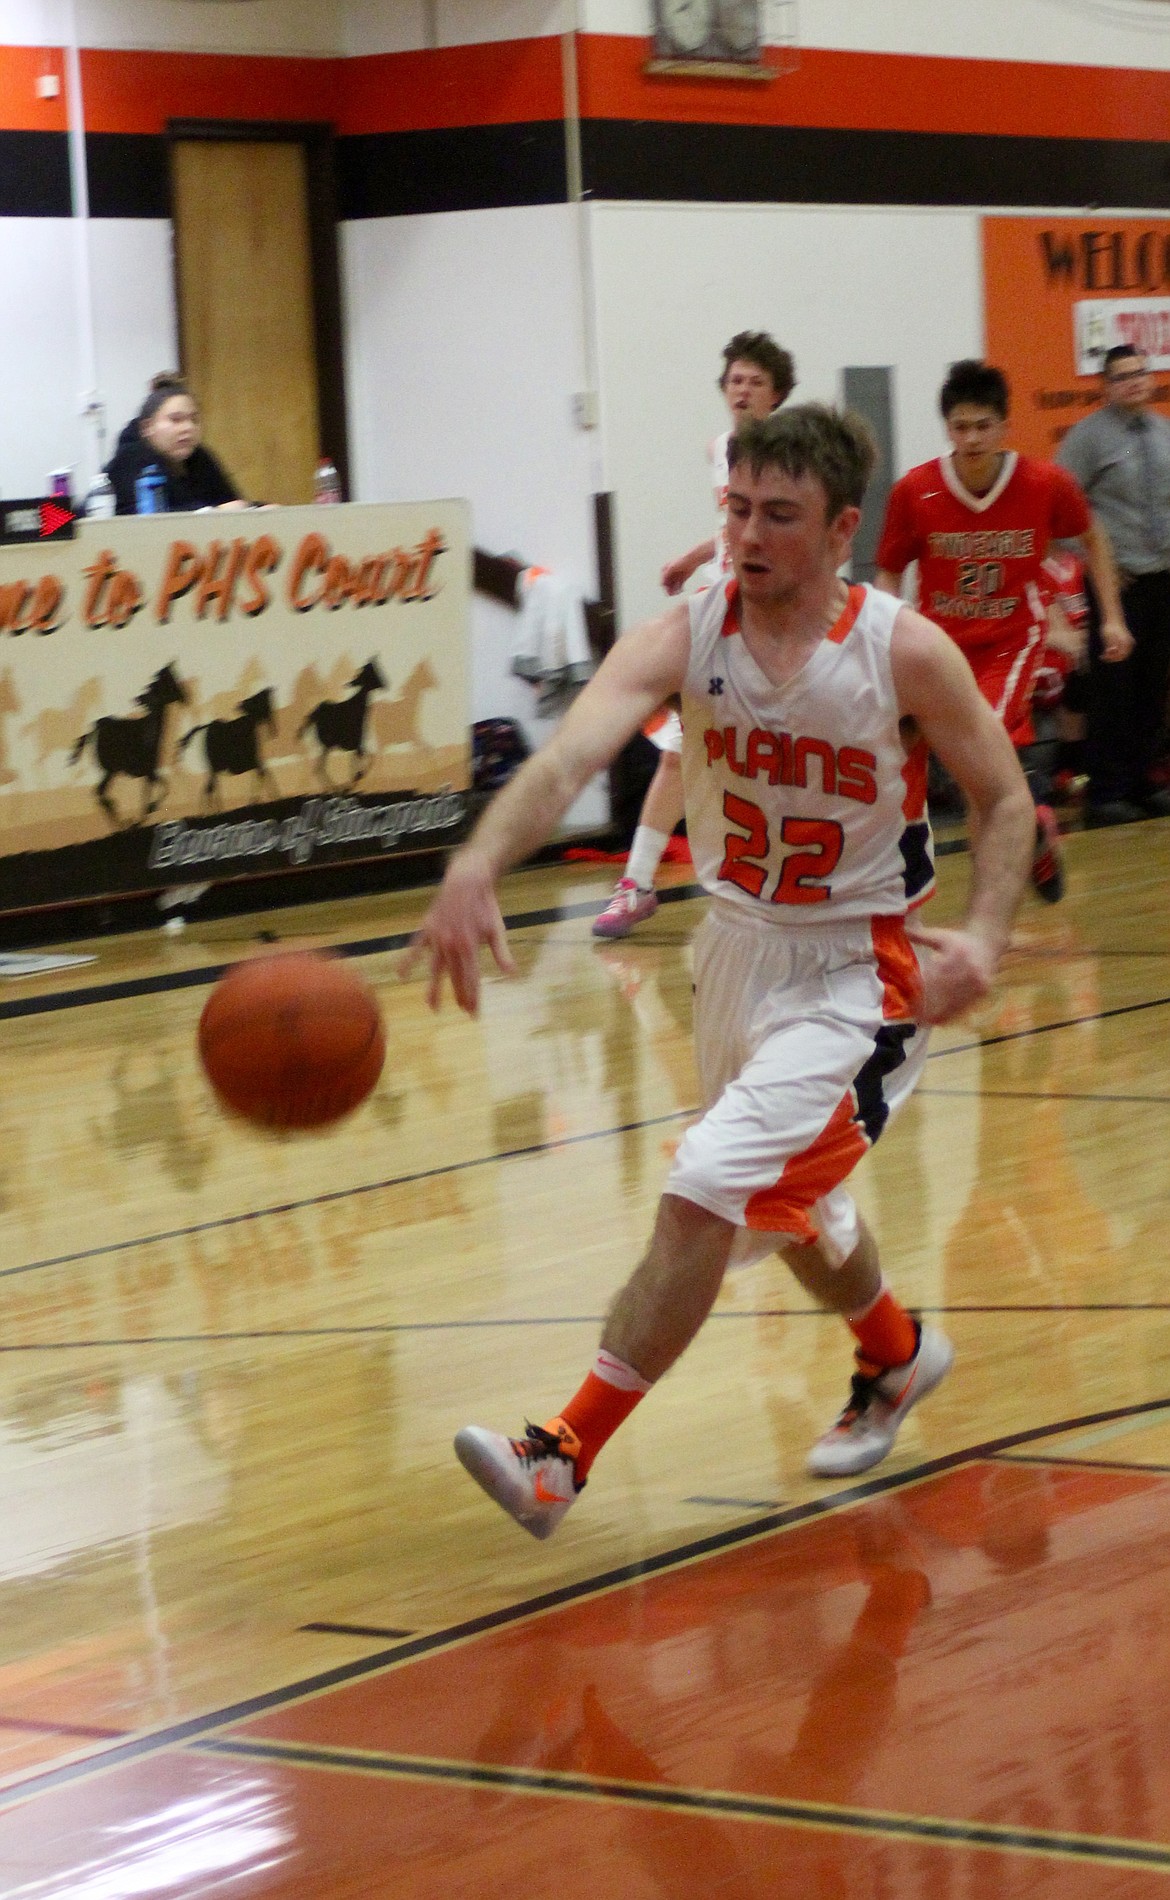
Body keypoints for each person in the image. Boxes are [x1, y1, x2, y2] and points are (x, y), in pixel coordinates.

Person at [404, 403, 1034, 1539]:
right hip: (734, 952)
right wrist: (478, 860)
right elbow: (564, 758)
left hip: (863, 972)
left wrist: (985, 938)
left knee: (709, 1187)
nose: (746, 535)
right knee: (792, 1212)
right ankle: (896, 1357)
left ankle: (562, 1453)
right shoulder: (688, 632)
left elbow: (1006, 798)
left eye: (778, 516)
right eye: (735, 507)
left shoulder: (900, 649)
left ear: (840, 528)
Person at [875, 359, 1130, 902]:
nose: (971, 439)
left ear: (1004, 426)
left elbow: (1095, 540)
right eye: (960, 427)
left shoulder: (1044, 482)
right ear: (947, 428)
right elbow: (889, 570)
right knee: (955, 774)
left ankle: (989, 909)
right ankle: (1033, 824)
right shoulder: (915, 491)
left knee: (975, 765)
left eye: (983, 426)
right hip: (940, 647)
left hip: (1011, 643)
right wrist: (881, 637)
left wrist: (1110, 616)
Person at [593, 331, 795, 940]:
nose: (743, 389)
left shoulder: (794, 456)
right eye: (735, 379)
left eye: (756, 381)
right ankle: (637, 882)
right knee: (682, 745)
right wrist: (693, 559)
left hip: (781, 618)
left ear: (777, 394)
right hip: (724, 611)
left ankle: (804, 875)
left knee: (788, 753)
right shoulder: (722, 448)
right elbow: (733, 527)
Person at [1056, 345, 1170, 826]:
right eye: (1121, 377)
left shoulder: (1163, 432)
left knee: (1152, 685)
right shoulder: (1087, 438)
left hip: (1162, 578)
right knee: (1113, 690)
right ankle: (1106, 792)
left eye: (1139, 374)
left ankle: (1145, 781)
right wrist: (1095, 561)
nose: (1133, 382)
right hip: (1114, 585)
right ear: (1104, 386)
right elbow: (1058, 510)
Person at [106, 382, 249, 515]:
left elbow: (230, 502)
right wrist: (213, 511)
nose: (188, 428)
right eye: (176, 420)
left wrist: (257, 508)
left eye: (194, 420)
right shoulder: (129, 461)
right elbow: (150, 519)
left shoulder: (201, 457)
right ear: (148, 427)